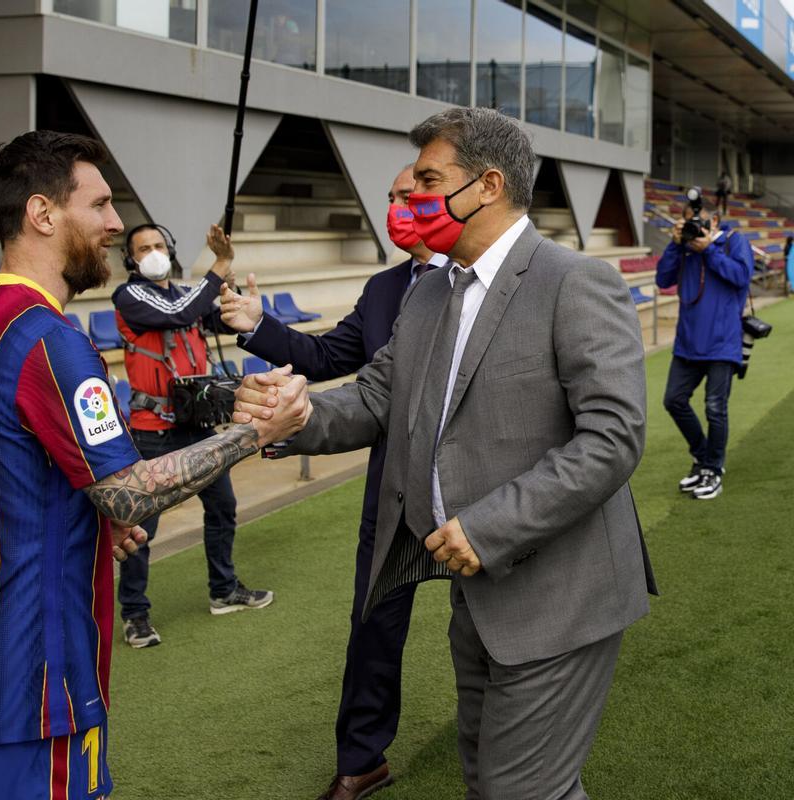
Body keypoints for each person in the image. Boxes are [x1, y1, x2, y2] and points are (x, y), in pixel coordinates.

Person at [235, 107, 656, 799]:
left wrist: (488, 528)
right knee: (494, 779)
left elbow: (612, 439)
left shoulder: (574, 282)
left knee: (519, 790)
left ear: (488, 185)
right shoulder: (430, 290)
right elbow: (375, 398)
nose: (415, 200)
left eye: (430, 180)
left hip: (561, 597)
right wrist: (298, 414)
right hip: (479, 602)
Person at [0, 130, 309, 800]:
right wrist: (254, 432)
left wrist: (90, 520)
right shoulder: (48, 338)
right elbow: (127, 496)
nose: (114, 225)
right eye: (100, 205)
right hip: (33, 671)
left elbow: (8, 472)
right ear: (43, 214)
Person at [218, 164, 448, 800]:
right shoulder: (383, 289)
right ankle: (362, 759)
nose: (399, 208)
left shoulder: (474, 283)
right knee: (372, 623)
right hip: (393, 487)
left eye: (411, 196)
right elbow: (324, 359)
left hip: (471, 488)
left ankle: (498, 740)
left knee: (486, 623)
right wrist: (256, 324)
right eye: (392, 197)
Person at [111, 222, 273, 648]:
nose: (153, 252)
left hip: (198, 425)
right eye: (143, 248)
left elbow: (216, 322)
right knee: (141, 529)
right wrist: (220, 263)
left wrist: (233, 294)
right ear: (130, 259)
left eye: (159, 245)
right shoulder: (129, 297)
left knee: (222, 508)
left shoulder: (186, 293)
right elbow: (178, 315)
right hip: (153, 432)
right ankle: (135, 614)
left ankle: (224, 590)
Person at [656, 204, 752, 500]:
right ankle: (702, 456)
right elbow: (663, 280)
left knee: (715, 408)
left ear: (715, 221)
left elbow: (741, 277)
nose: (693, 228)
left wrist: (709, 249)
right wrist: (675, 245)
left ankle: (713, 469)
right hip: (688, 343)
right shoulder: (684, 248)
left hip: (723, 342)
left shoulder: (733, 241)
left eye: (697, 222)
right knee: (673, 400)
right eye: (688, 223)